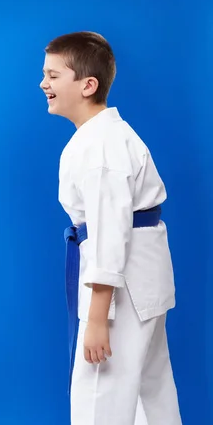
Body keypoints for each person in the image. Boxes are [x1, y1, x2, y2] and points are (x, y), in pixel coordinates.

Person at [39, 31, 182, 425]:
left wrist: (99, 317)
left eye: (53, 75)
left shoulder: (99, 146)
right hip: (143, 281)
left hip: (121, 294)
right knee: (149, 394)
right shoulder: (106, 136)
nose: (43, 84)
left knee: (101, 396)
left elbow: (108, 231)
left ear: (88, 85)